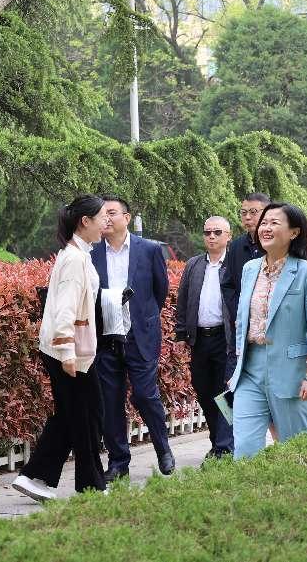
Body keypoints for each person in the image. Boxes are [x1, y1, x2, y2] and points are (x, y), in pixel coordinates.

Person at [12, 195, 108, 501]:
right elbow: (64, 309)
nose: (106, 222)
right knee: (87, 415)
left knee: (76, 415)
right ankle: (89, 486)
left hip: (73, 351)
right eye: (102, 217)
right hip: (68, 352)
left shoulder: (79, 255)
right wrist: (67, 352)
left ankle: (36, 477)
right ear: (85, 221)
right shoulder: (74, 259)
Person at [227, 202, 307, 459]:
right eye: (263, 223)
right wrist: (238, 362)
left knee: (296, 451)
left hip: (293, 373)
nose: (266, 228)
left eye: (274, 223)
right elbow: (242, 319)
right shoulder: (250, 269)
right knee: (245, 449)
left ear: (294, 232)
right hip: (250, 370)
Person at [91, 194, 173, 482]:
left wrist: (143, 319)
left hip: (140, 336)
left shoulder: (149, 250)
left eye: (112, 212)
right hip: (106, 337)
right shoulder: (92, 253)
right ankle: (118, 462)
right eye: (103, 214)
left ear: (126, 218)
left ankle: (163, 449)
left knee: (144, 394)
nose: (107, 218)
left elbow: (160, 291)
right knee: (110, 401)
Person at [174, 216, 234, 460]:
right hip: (199, 340)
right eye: (207, 232)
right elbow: (182, 300)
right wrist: (180, 334)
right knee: (204, 392)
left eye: (217, 232)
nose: (211, 236)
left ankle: (225, 447)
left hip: (225, 340)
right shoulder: (194, 264)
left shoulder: (235, 265)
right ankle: (217, 442)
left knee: (225, 394)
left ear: (228, 236)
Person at [221, 193, 271, 331]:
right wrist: (238, 311)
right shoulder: (236, 246)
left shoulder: (275, 245)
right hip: (242, 322)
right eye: (243, 213)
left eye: (253, 212)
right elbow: (228, 284)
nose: (247, 217)